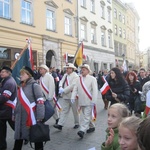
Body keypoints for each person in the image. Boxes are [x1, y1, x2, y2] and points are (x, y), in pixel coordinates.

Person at [13, 66, 45, 150]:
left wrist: (40, 117)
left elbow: (40, 102)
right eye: (20, 74)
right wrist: (14, 113)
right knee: (19, 135)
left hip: (32, 117)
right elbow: (17, 102)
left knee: (36, 136)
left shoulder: (35, 86)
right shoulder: (21, 86)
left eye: (23, 74)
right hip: (20, 116)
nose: (20, 76)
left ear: (28, 75)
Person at [71, 64, 98, 138]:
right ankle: (92, 126)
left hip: (89, 101)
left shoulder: (92, 79)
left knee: (86, 116)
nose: (82, 70)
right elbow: (75, 89)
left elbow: (95, 91)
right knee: (86, 115)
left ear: (88, 71)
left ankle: (82, 130)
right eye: (82, 69)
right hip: (81, 101)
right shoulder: (78, 79)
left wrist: (94, 100)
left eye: (84, 69)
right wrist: (73, 97)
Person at [53, 63, 79, 130]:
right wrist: (60, 87)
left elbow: (72, 85)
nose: (66, 69)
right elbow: (61, 81)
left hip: (73, 96)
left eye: (68, 68)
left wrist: (64, 90)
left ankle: (77, 123)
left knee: (75, 111)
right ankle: (60, 124)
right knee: (64, 111)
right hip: (65, 96)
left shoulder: (76, 76)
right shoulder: (65, 75)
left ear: (72, 69)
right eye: (66, 68)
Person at [0, 66, 17, 150]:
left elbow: (4, 97)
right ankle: (2, 145)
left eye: (3, 72)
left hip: (7, 109)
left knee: (14, 126)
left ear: (8, 73)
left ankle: (25, 137)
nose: (1, 73)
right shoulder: (5, 81)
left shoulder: (9, 82)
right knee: (3, 128)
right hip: (4, 109)